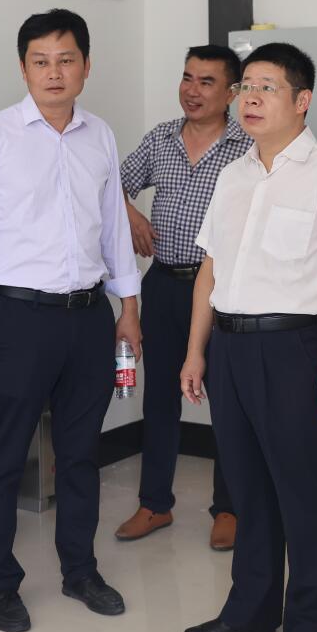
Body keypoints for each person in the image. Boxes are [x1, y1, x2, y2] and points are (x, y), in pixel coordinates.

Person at [178, 42, 317, 632]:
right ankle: (252, 610)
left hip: (295, 348)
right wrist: (195, 351)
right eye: (246, 87)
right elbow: (209, 269)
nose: (251, 98)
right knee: (247, 488)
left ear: (302, 100)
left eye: (267, 87)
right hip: (230, 347)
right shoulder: (233, 175)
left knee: (305, 492)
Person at [0, 8, 142, 632]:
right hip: (18, 315)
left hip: (88, 317)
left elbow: (114, 227)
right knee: (4, 453)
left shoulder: (100, 135)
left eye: (65, 60)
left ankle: (80, 571)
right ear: (24, 68)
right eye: (40, 61)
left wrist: (128, 308)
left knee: (80, 454)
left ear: (86, 66)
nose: (54, 73)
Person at [114, 45, 251, 550]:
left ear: (231, 93)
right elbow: (108, 184)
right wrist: (131, 213)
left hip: (220, 291)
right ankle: (154, 504)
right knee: (159, 397)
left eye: (206, 82)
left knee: (228, 404)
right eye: (187, 78)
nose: (192, 91)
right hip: (164, 283)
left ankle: (229, 508)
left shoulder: (247, 147)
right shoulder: (161, 138)